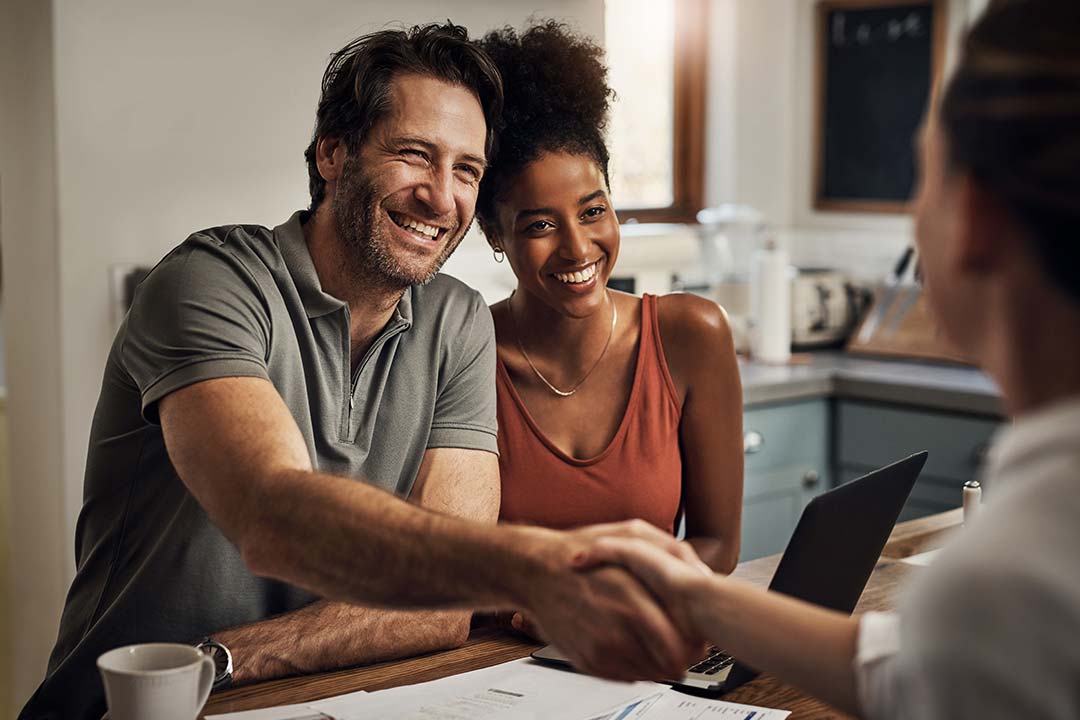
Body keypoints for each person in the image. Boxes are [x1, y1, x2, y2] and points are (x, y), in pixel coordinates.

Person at [20, 23, 701, 720]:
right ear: (333, 154)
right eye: (414, 155)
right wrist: (531, 566)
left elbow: (443, 607)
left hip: (303, 701)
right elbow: (272, 514)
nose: (441, 198)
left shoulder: (456, 323)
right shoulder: (206, 284)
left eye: (466, 170)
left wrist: (226, 657)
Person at [576, 1, 1080, 717]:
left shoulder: (1004, 587)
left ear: (974, 219)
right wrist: (697, 600)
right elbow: (908, 672)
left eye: (921, 178)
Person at [474, 23, 743, 572]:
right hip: (502, 651)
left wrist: (610, 605)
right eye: (540, 225)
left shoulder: (692, 334)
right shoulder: (466, 352)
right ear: (495, 236)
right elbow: (445, 563)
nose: (578, 248)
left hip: (642, 640)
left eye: (594, 212)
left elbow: (716, 548)